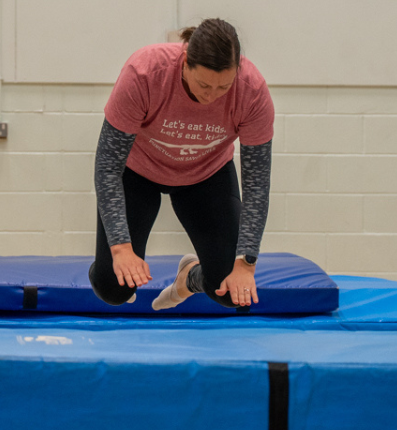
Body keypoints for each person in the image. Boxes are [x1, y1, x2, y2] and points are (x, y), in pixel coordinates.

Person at [88, 18, 274, 311]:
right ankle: (112, 272)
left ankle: (189, 278)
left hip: (206, 176)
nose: (211, 96)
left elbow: (257, 187)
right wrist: (122, 249)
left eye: (223, 87)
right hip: (138, 173)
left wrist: (246, 265)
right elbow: (108, 166)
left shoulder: (251, 91)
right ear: (185, 61)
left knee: (229, 291)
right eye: (203, 84)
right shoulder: (145, 72)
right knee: (113, 288)